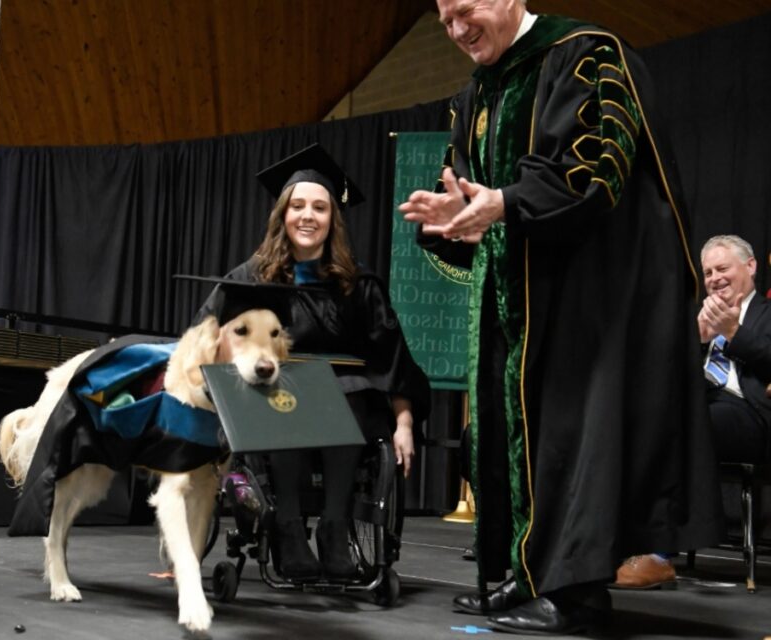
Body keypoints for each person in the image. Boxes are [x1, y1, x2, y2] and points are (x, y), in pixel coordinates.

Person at [398, 0, 723, 634]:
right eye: (444, 21)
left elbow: (600, 168)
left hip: (589, 295)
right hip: (516, 296)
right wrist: (452, 219)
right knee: (515, 434)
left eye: (467, 11)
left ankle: (575, 594)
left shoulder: (585, 53)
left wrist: (505, 202)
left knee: (574, 436)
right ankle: (527, 574)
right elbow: (473, 195)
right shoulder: (476, 95)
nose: (458, 30)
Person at [195, 143, 431, 580]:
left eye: (319, 207)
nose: (308, 216)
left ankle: (334, 529)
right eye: (298, 206)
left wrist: (403, 423)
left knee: (347, 395)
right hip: (274, 400)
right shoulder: (252, 279)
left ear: (331, 219)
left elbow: (393, 356)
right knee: (291, 394)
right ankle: (287, 528)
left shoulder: (358, 285)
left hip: (349, 405)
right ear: (283, 215)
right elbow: (205, 335)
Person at [616, 234, 771, 588]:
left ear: (750, 266)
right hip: (702, 404)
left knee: (685, 425)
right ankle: (621, 542)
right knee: (637, 421)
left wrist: (733, 331)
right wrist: (696, 343)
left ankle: (660, 554)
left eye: (722, 268)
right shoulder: (696, 319)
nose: (714, 278)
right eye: (708, 272)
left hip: (751, 414)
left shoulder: (766, 313)